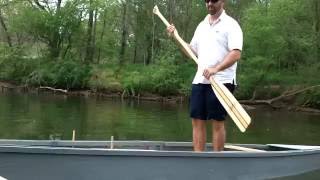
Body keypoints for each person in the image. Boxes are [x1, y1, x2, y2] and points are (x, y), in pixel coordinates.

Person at [167, 0, 243, 151]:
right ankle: (199, 160)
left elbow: (235, 53)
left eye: (213, 0)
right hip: (200, 80)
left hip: (222, 80)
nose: (209, 3)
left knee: (217, 122)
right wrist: (176, 38)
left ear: (223, 1)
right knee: (197, 120)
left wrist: (216, 68)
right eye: (206, 1)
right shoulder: (201, 26)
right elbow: (191, 51)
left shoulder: (231, 25)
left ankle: (217, 161)